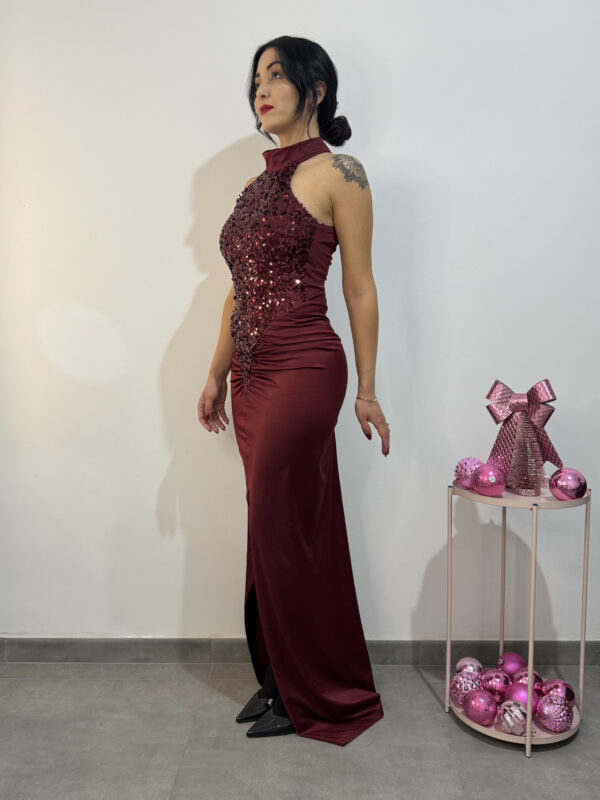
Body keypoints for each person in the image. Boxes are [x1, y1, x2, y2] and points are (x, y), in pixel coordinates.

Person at [197, 35, 390, 746]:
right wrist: (215, 373)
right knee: (275, 524)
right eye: (256, 78)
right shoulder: (255, 189)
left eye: (277, 75)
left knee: (283, 523)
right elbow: (238, 292)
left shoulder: (341, 172)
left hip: (306, 366)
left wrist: (368, 390)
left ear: (317, 87)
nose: (261, 88)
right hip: (251, 376)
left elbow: (360, 287)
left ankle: (317, 690)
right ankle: (281, 677)